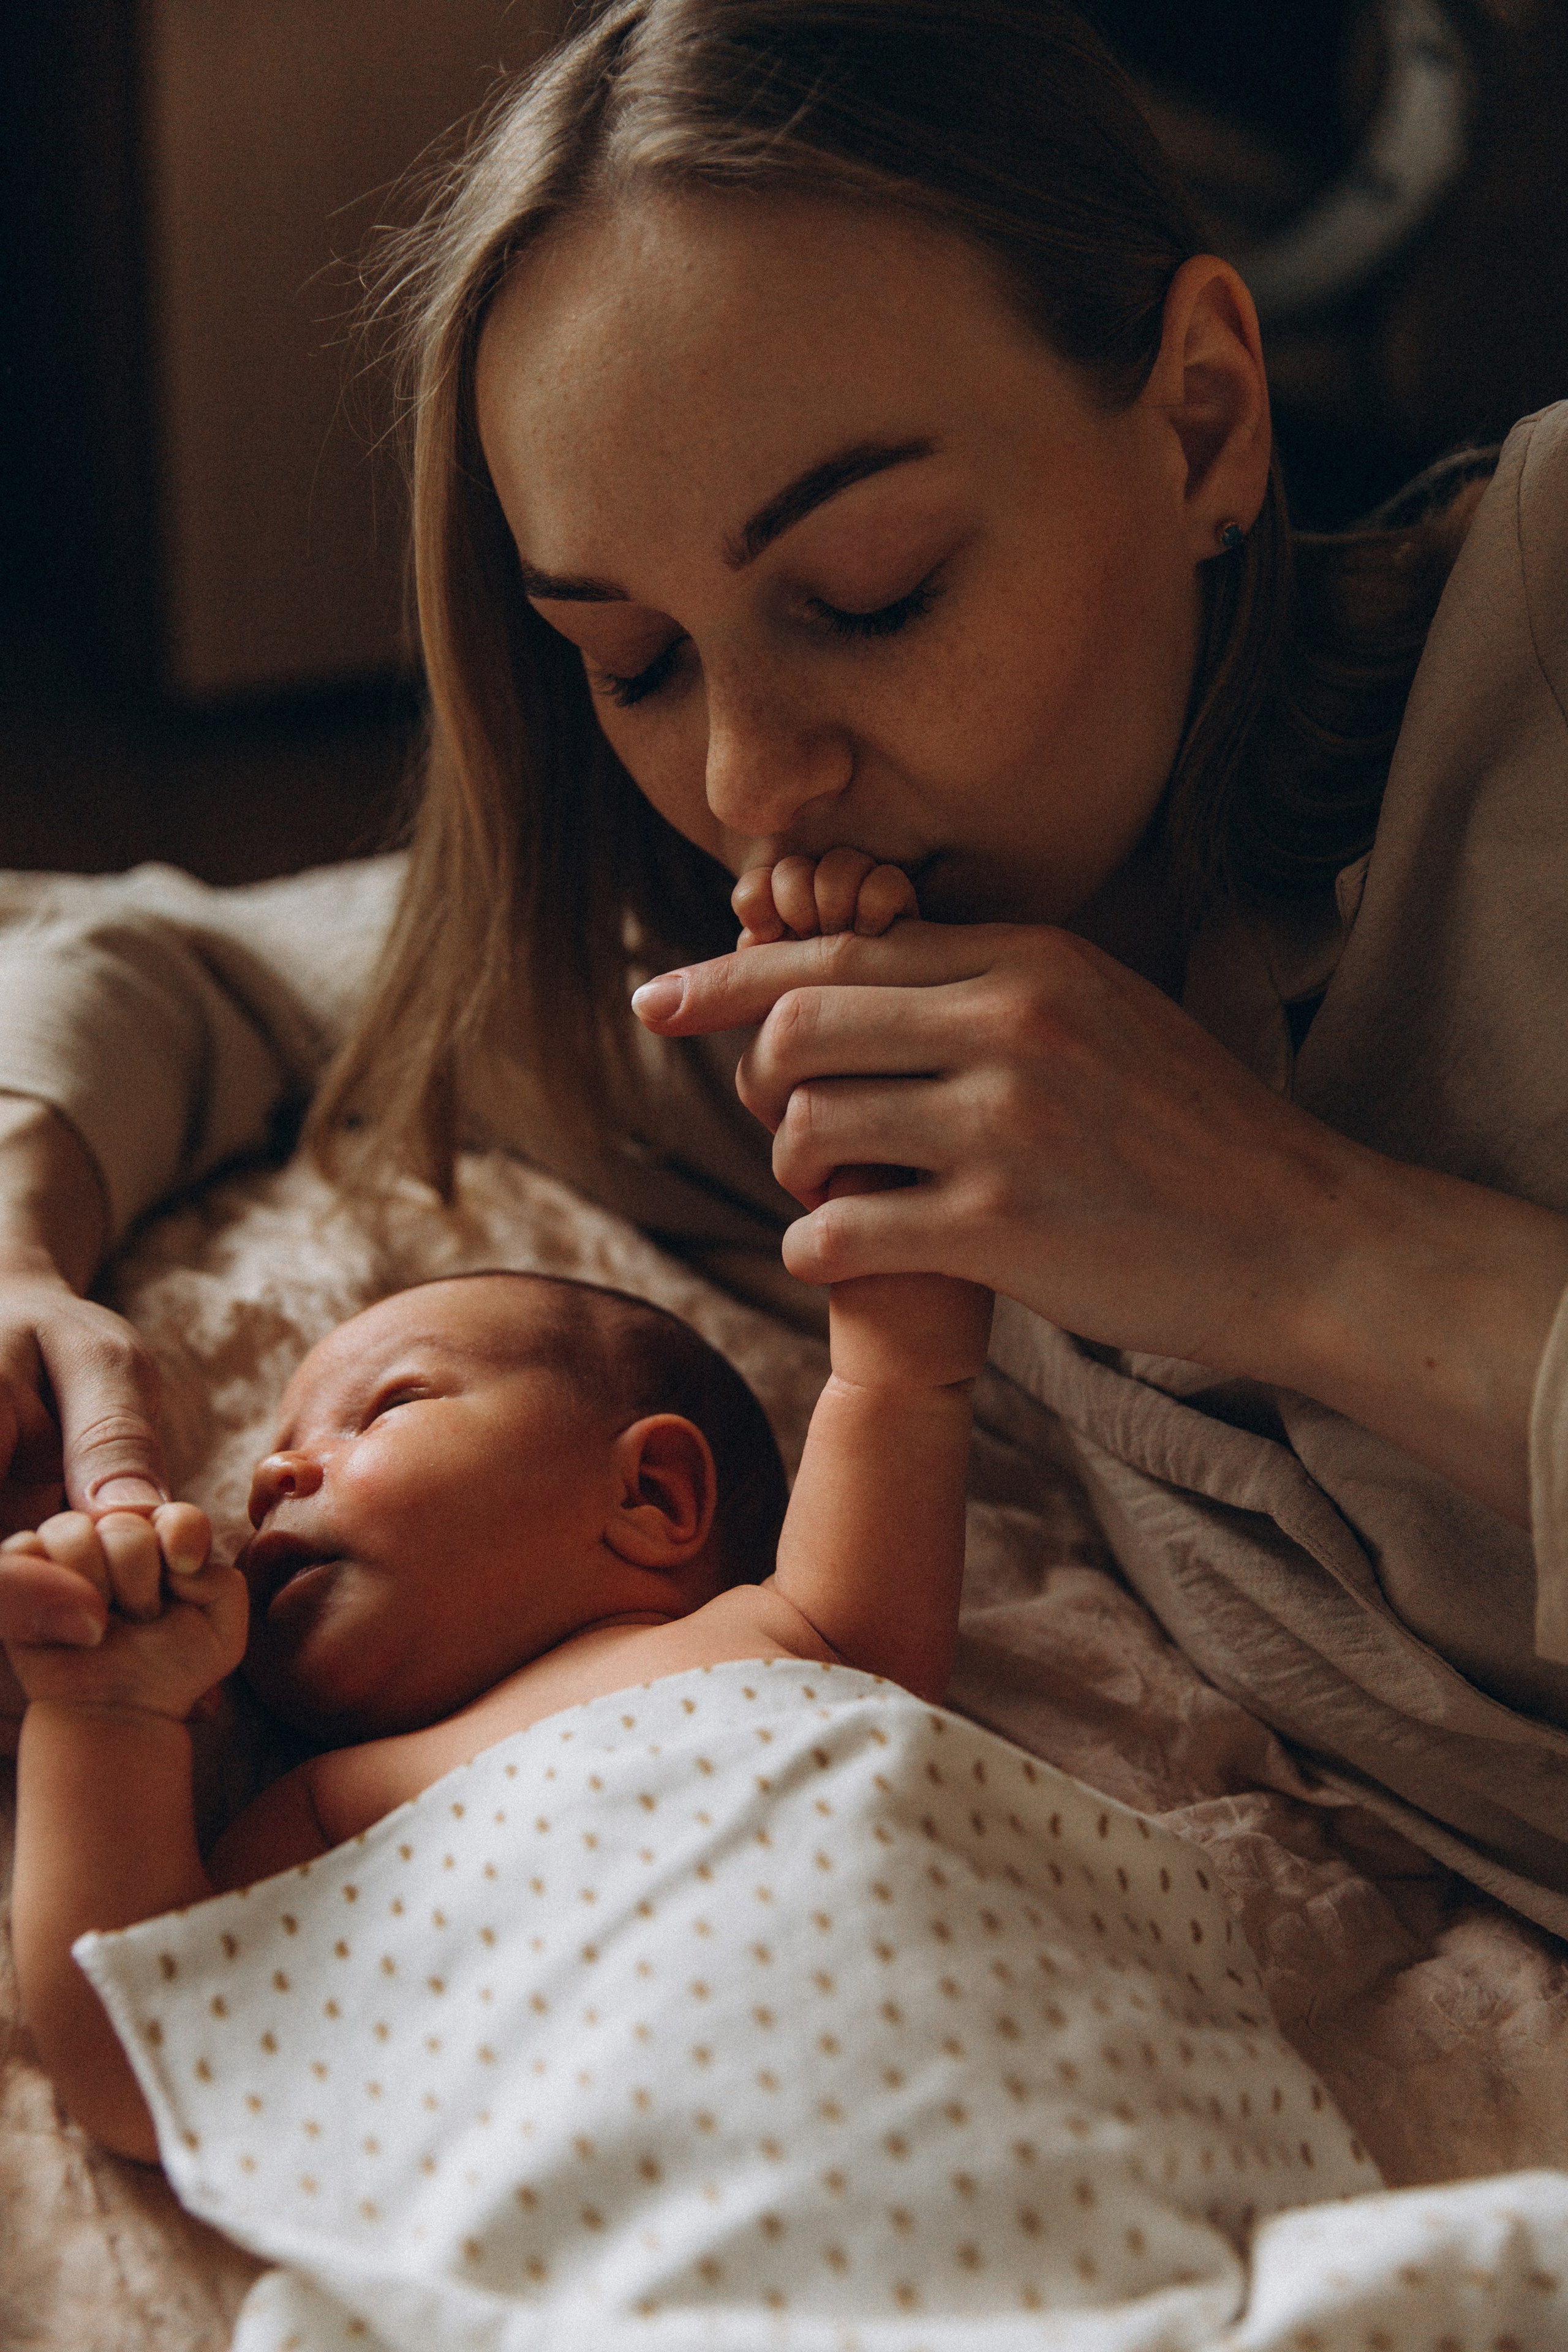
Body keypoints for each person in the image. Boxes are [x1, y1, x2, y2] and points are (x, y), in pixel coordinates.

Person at [2, 0, 1567, 1931]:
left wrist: (1303, 1239)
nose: (746, 781)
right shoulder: (769, 1013)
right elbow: (187, 962)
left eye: (872, 592)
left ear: (1204, 419)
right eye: (634, 660)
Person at [4, 860, 992, 2163]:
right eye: (270, 1466)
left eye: (379, 1411)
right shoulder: (328, 1815)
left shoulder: (802, 1631)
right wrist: (109, 1715)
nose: (271, 1479)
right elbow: (145, 2056)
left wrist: (856, 1048)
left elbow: (898, 1368)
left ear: (652, 1495)